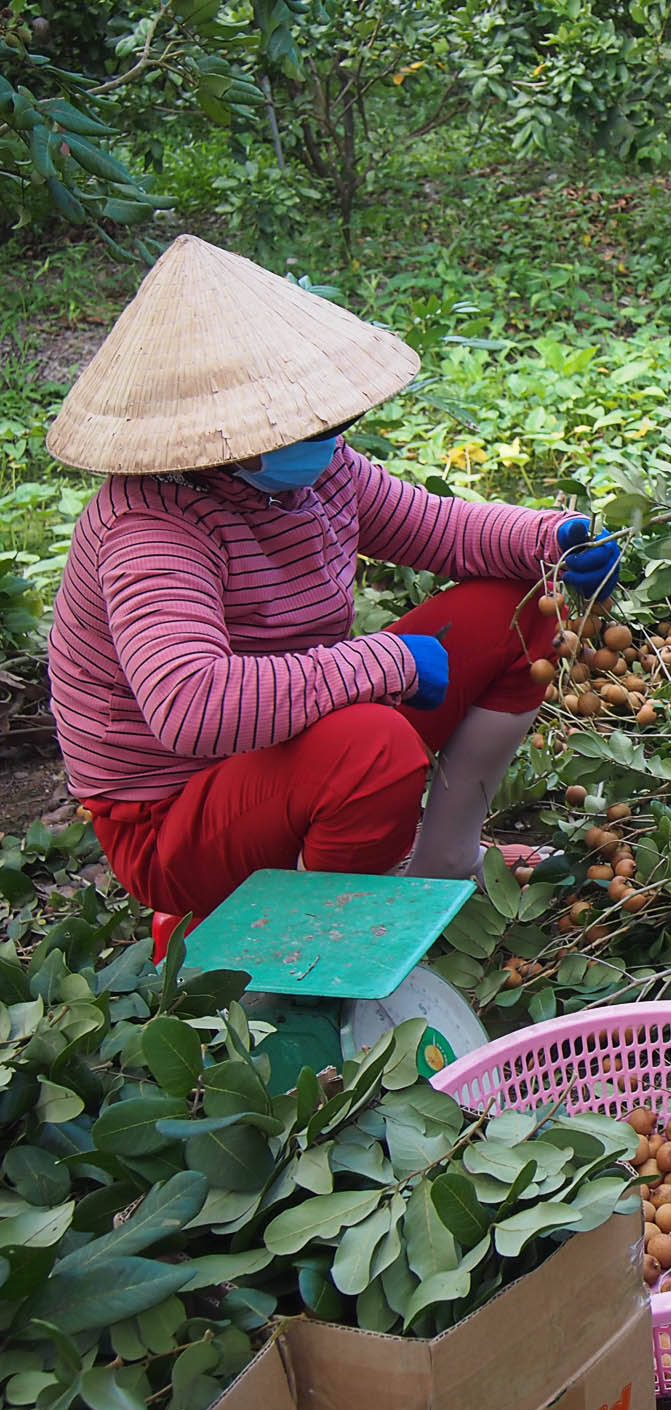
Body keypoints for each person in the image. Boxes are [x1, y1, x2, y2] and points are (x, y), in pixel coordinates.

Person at [43, 234, 620, 921]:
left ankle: (446, 861)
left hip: (287, 741)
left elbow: (437, 528)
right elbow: (191, 706)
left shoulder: (315, 472)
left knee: (521, 605)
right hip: (177, 817)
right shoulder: (152, 531)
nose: (329, 435)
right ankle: (324, 941)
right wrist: (384, 661)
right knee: (371, 751)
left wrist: (549, 538)